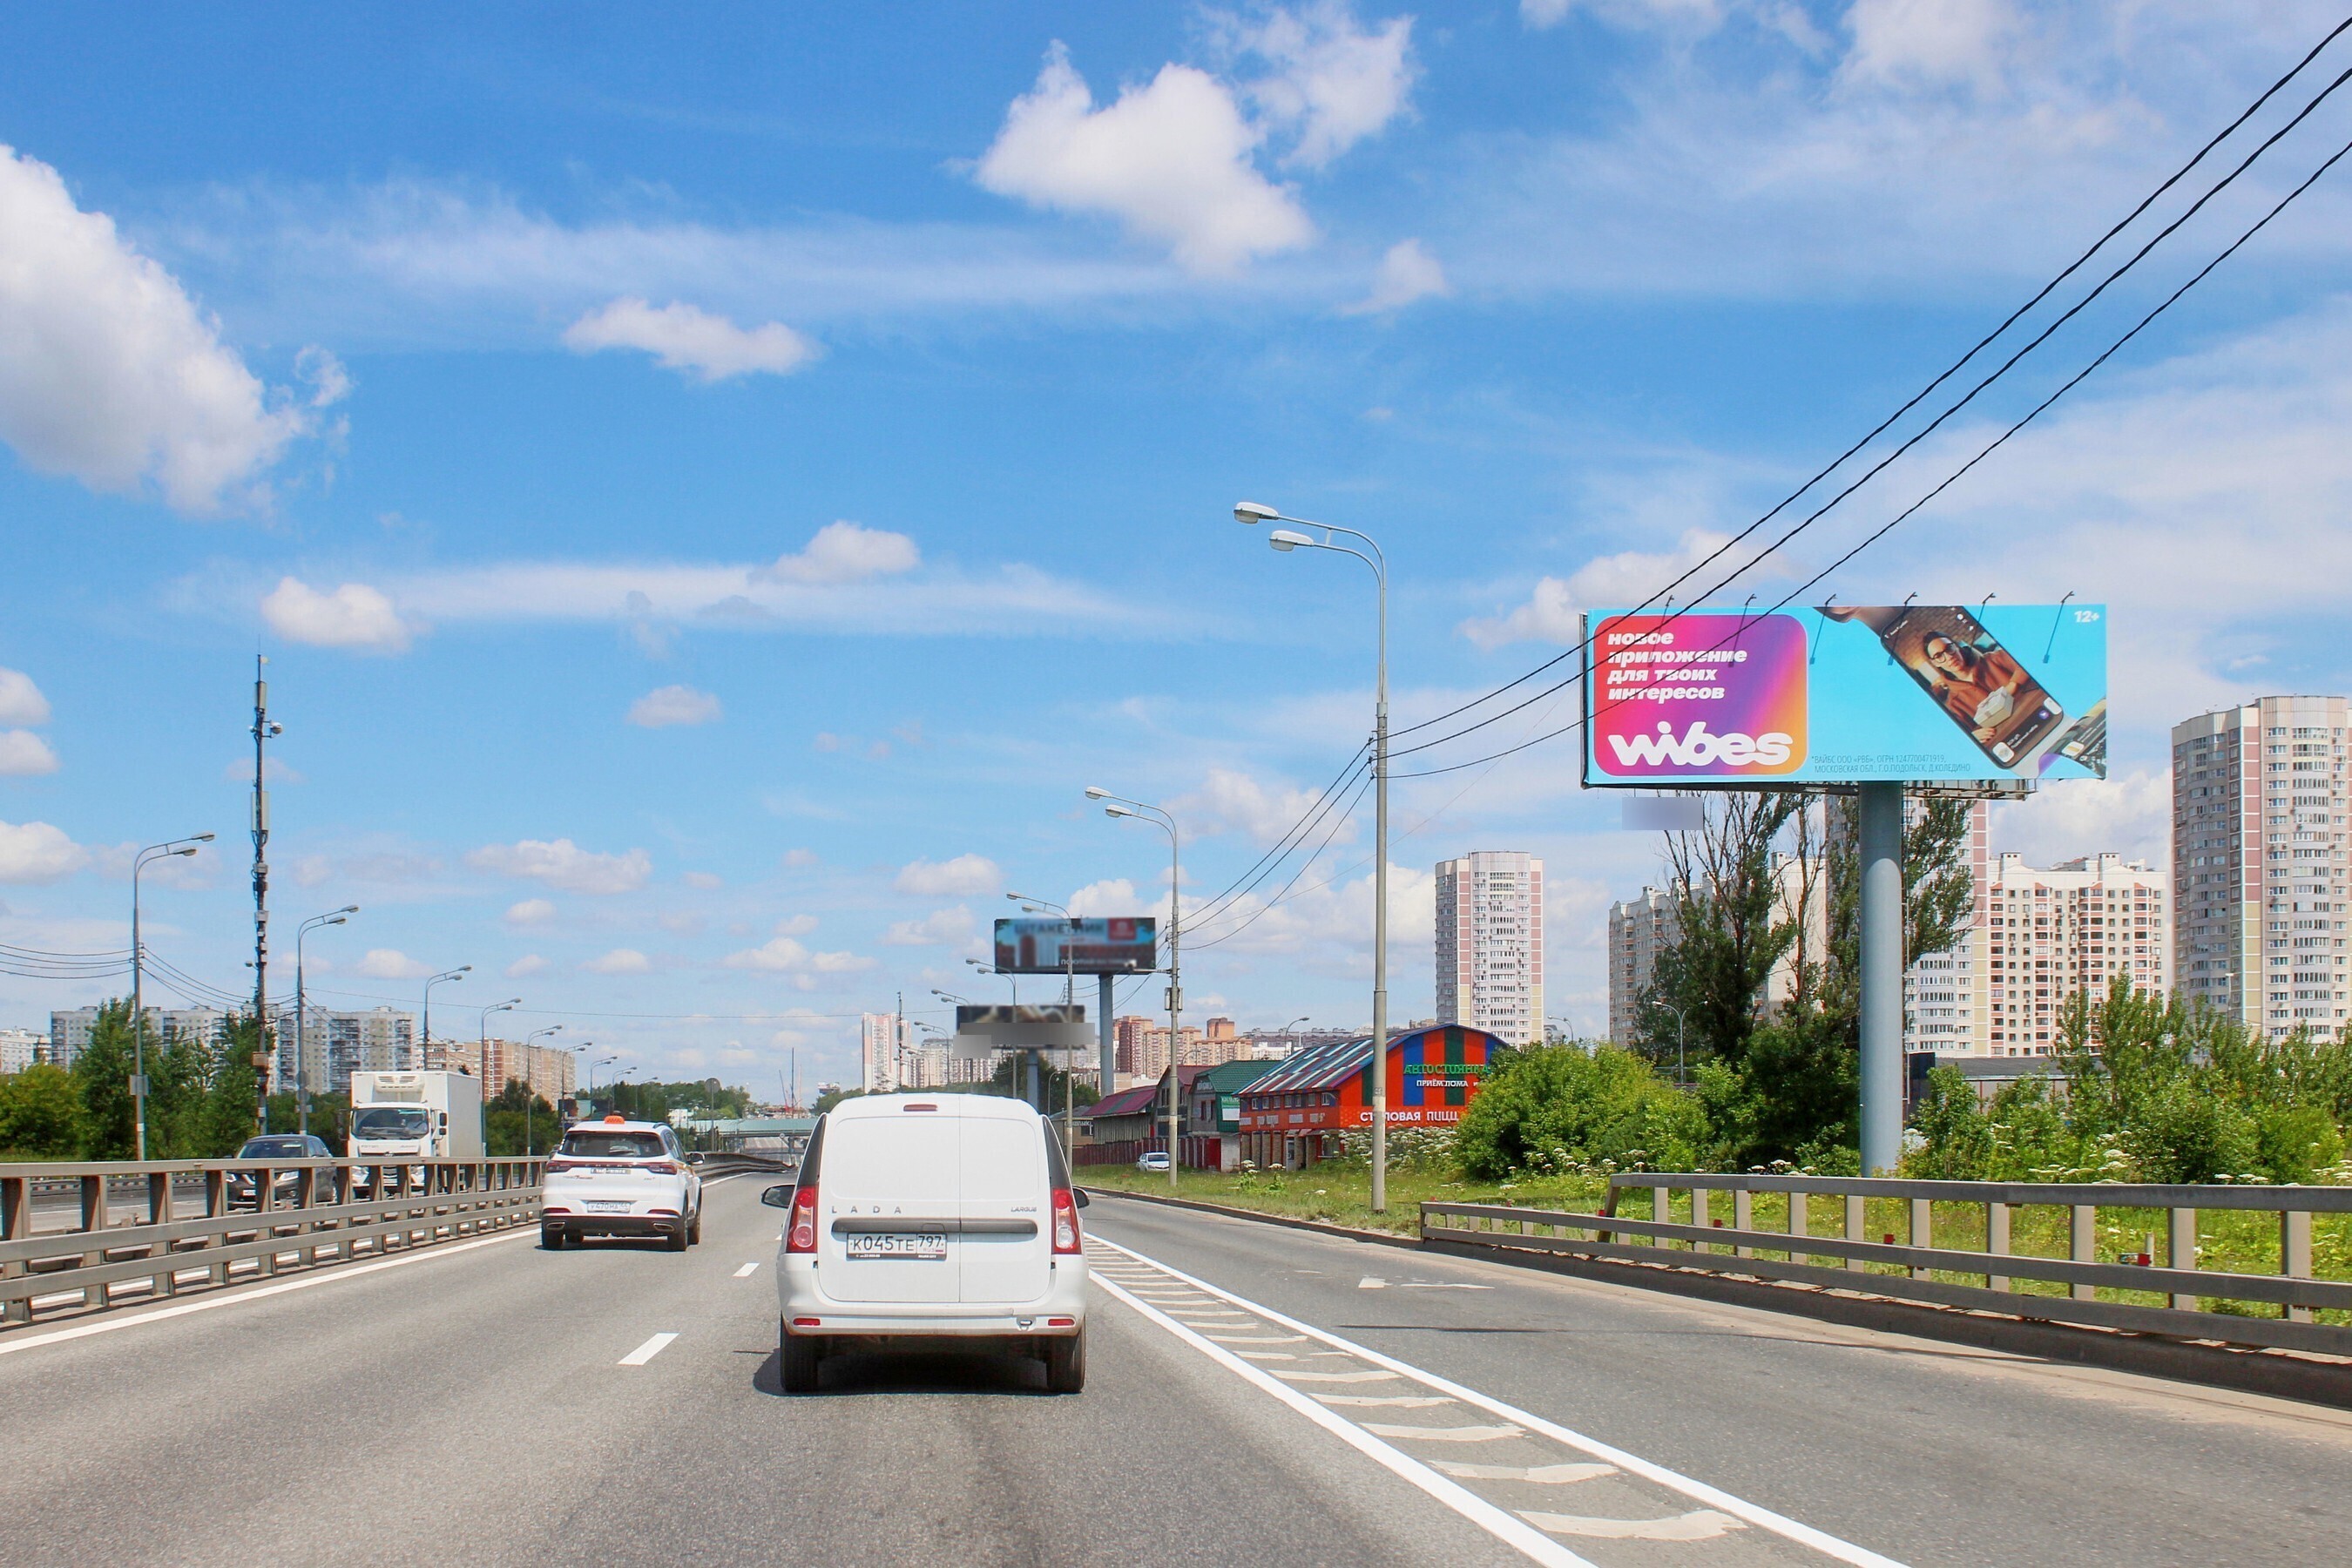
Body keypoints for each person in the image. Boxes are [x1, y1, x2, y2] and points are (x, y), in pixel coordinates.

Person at [1919, 632, 2026, 742]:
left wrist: (2014, 684)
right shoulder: (1954, 704)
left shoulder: (1993, 659)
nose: (1949, 657)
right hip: (2013, 741)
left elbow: (2028, 656)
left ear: (1956, 646)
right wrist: (1971, 737)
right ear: (1935, 663)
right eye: (1939, 656)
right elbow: (1954, 739)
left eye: (1949, 648)